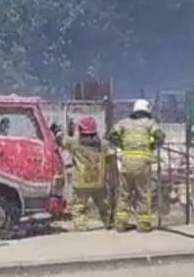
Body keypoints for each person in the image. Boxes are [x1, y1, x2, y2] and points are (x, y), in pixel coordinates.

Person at [108, 99, 165, 232]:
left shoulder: (124, 123)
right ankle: (143, 225)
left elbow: (111, 135)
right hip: (142, 164)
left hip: (126, 162)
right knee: (143, 194)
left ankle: (120, 224)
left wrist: (121, 144)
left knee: (124, 194)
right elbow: (160, 136)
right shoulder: (150, 123)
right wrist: (152, 146)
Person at [53, 116, 111, 231]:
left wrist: (56, 130)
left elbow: (62, 140)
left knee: (79, 207)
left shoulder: (75, 143)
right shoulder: (103, 144)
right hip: (98, 181)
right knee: (103, 205)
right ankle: (108, 222)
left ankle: (81, 226)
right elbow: (110, 157)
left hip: (81, 181)